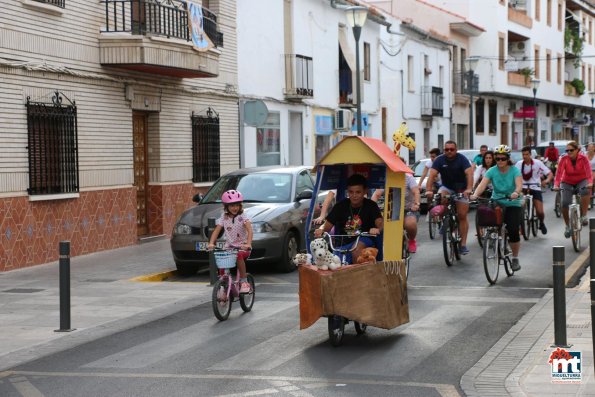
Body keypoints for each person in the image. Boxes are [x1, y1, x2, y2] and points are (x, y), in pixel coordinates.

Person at [471, 145, 523, 271]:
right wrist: (475, 194)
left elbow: (519, 185)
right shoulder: (492, 171)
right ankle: (497, 238)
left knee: (513, 230)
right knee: (492, 222)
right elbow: (482, 185)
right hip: (497, 201)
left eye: (503, 159)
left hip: (512, 202)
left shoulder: (515, 171)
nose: (500, 161)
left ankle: (515, 258)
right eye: (498, 158)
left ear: (508, 159)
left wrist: (516, 192)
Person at [314, 173, 383, 263]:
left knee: (356, 251)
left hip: (365, 240)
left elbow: (380, 223)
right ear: (348, 191)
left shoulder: (371, 205)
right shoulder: (340, 206)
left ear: (365, 191)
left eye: (358, 192)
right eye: (351, 192)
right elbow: (327, 226)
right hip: (343, 243)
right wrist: (321, 230)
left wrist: (377, 229)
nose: (354, 195)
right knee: (333, 262)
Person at [426, 140, 474, 255]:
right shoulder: (439, 160)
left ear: (456, 150)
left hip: (462, 188)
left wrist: (469, 189)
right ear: (444, 150)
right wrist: (428, 190)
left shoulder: (462, 159)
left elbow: (469, 174)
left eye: (452, 149)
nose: (449, 151)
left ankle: (463, 244)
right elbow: (432, 175)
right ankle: (445, 221)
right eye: (446, 149)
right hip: (447, 187)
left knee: (462, 215)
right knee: (442, 197)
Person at [208, 190, 253, 293]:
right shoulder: (224, 217)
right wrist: (211, 243)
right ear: (226, 206)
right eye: (232, 205)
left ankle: (244, 281)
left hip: (243, 247)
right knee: (222, 259)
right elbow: (216, 230)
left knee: (239, 255)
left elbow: (250, 230)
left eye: (237, 205)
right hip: (230, 247)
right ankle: (223, 285)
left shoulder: (243, 216)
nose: (235, 208)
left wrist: (248, 243)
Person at [553, 141, 593, 236]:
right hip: (567, 182)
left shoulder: (583, 158)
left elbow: (588, 171)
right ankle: (567, 226)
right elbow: (559, 173)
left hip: (581, 180)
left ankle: (584, 215)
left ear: (577, 150)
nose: (569, 152)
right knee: (565, 202)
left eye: (571, 150)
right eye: (567, 150)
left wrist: (590, 182)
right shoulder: (564, 159)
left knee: (585, 190)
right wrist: (556, 184)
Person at [515, 146, 553, 234]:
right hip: (523, 187)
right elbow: (514, 175)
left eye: (527, 154)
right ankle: (520, 224)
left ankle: (542, 223)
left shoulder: (538, 163)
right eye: (523, 154)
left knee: (540, 212)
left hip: (535, 187)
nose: (525, 156)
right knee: (519, 206)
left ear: (530, 154)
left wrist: (546, 181)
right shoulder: (519, 164)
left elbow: (549, 173)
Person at [403, 172, 421, 253]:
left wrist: (416, 204)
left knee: (410, 225)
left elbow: (416, 192)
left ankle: (411, 240)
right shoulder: (386, 176)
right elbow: (377, 194)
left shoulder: (408, 177)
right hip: (392, 210)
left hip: (409, 209)